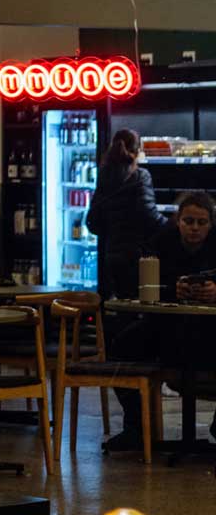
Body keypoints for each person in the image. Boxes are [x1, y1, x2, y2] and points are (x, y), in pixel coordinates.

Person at [106, 190, 216, 452]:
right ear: (178, 221)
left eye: (201, 223)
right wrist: (171, 289)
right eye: (189, 221)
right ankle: (135, 426)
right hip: (169, 328)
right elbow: (141, 282)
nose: (194, 228)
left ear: (211, 223)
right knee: (121, 346)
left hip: (209, 330)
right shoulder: (161, 241)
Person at [87, 128, 162, 300]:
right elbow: (148, 213)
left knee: (121, 304)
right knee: (140, 304)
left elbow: (93, 219)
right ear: (137, 152)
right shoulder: (140, 176)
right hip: (136, 254)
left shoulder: (105, 177)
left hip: (112, 254)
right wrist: (171, 226)